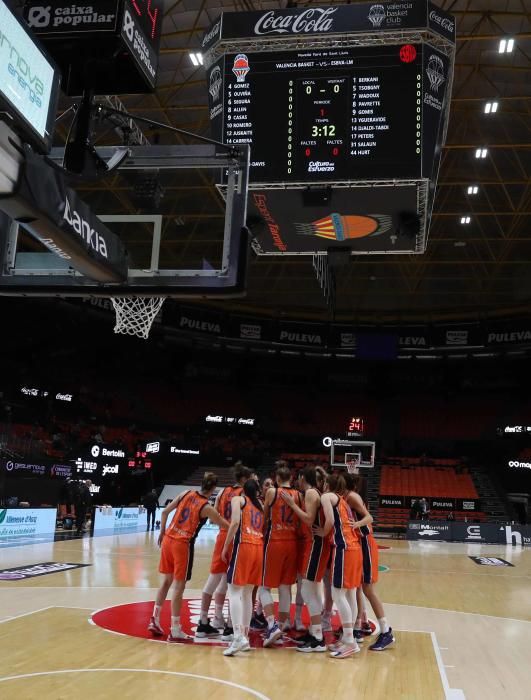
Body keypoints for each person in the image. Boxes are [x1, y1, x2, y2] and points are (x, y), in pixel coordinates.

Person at [148, 473, 228, 641]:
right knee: (178, 587)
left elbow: (164, 513)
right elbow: (223, 524)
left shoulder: (186, 493)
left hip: (168, 539)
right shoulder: (206, 507)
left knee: (165, 582)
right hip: (182, 544)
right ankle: (175, 628)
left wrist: (162, 532)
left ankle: (154, 619)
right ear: (213, 489)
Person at [198, 464, 251, 640]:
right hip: (236, 538)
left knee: (216, 580)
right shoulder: (244, 494)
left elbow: (215, 518)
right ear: (244, 478)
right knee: (234, 585)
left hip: (222, 537)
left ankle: (209, 620)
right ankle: (229, 626)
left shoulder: (222, 492)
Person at [280, 465, 329, 652]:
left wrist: (292, 505)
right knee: (313, 591)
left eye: (297, 478)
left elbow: (309, 520)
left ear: (302, 477)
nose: (296, 481)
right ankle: (315, 631)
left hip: (314, 544)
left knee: (308, 591)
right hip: (315, 543)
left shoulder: (310, 493)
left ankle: (318, 637)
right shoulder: (316, 492)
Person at [316, 473, 364, 659]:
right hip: (354, 548)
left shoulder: (327, 496)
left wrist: (323, 532)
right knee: (350, 593)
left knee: (337, 594)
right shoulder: (343, 500)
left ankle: (350, 641)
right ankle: (347, 638)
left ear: (327, 483)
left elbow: (329, 520)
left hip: (344, 548)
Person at [345, 473, 394, 651]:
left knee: (368, 589)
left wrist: (355, 525)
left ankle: (386, 631)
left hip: (365, 544)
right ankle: (358, 626)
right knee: (357, 587)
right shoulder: (349, 496)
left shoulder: (352, 496)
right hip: (359, 544)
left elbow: (369, 518)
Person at [259, 461, 302, 646]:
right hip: (292, 542)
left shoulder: (271, 492)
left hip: (275, 540)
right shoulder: (298, 495)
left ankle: (271, 624)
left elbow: (265, 516)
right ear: (291, 478)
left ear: (277, 478)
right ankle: (284, 624)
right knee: (285, 587)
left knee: (264, 587)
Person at [222, 478, 264, 656]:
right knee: (247, 594)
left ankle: (238, 637)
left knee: (234, 592)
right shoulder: (260, 506)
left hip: (244, 545)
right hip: (258, 548)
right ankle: (244, 636)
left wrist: (225, 545)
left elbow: (235, 523)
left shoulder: (238, 499)